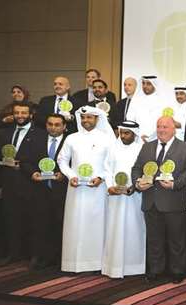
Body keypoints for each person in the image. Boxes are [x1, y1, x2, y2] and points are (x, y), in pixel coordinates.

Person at [132, 116, 186, 283]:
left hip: (174, 201)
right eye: (159, 126)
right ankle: (155, 270)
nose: (161, 130)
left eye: (165, 127)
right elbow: (136, 168)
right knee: (154, 239)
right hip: (150, 201)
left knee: (177, 240)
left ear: (174, 128)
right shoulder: (147, 147)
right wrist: (138, 183)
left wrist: (175, 184)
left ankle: (177, 271)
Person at [57, 106, 115, 272]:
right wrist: (70, 175)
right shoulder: (71, 138)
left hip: (98, 189)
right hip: (76, 189)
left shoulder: (107, 139)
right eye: (83, 118)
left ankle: (96, 264)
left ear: (97, 119)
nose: (85, 121)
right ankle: (73, 265)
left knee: (96, 225)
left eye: (89, 118)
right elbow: (62, 160)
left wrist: (101, 177)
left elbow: (111, 163)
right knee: (75, 225)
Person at [0, 102, 45, 266]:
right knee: (11, 220)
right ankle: (13, 254)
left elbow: (41, 158)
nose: (20, 116)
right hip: (9, 183)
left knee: (32, 221)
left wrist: (23, 165)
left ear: (31, 115)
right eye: (17, 113)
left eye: (24, 113)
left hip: (30, 183)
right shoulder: (4, 133)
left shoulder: (41, 134)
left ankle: (33, 255)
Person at [101, 121, 146, 278]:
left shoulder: (142, 148)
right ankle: (113, 267)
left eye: (127, 133)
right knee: (115, 229)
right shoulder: (112, 147)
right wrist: (110, 186)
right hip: (115, 196)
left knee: (135, 229)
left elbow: (144, 171)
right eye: (121, 133)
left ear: (135, 134)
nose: (124, 136)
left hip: (134, 197)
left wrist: (133, 187)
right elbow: (106, 169)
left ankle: (135, 267)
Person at [24, 113, 68, 269]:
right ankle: (40, 257)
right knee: (40, 224)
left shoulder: (71, 141)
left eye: (57, 124)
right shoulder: (35, 140)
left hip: (62, 192)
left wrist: (65, 174)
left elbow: (76, 164)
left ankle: (59, 259)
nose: (53, 127)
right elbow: (25, 161)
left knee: (60, 224)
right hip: (40, 191)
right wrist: (32, 173)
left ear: (64, 126)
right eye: (50, 124)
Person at [127, 75, 170, 141]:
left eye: (148, 84)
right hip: (138, 138)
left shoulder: (163, 101)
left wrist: (151, 136)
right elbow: (130, 119)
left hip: (158, 138)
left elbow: (165, 121)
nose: (145, 86)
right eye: (143, 83)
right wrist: (139, 134)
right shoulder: (136, 100)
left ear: (154, 85)